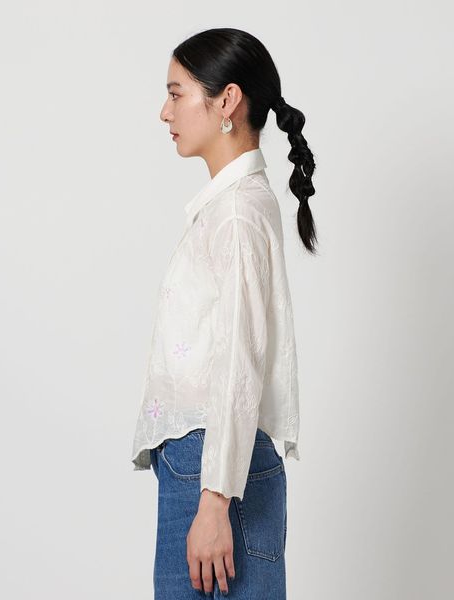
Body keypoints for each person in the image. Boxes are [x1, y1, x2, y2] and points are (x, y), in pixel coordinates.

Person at [131, 27, 317, 599]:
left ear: (227, 100)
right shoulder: (231, 207)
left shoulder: (237, 215)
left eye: (176, 93)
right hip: (211, 463)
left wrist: (214, 501)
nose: (165, 112)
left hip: (213, 469)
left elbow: (240, 356)